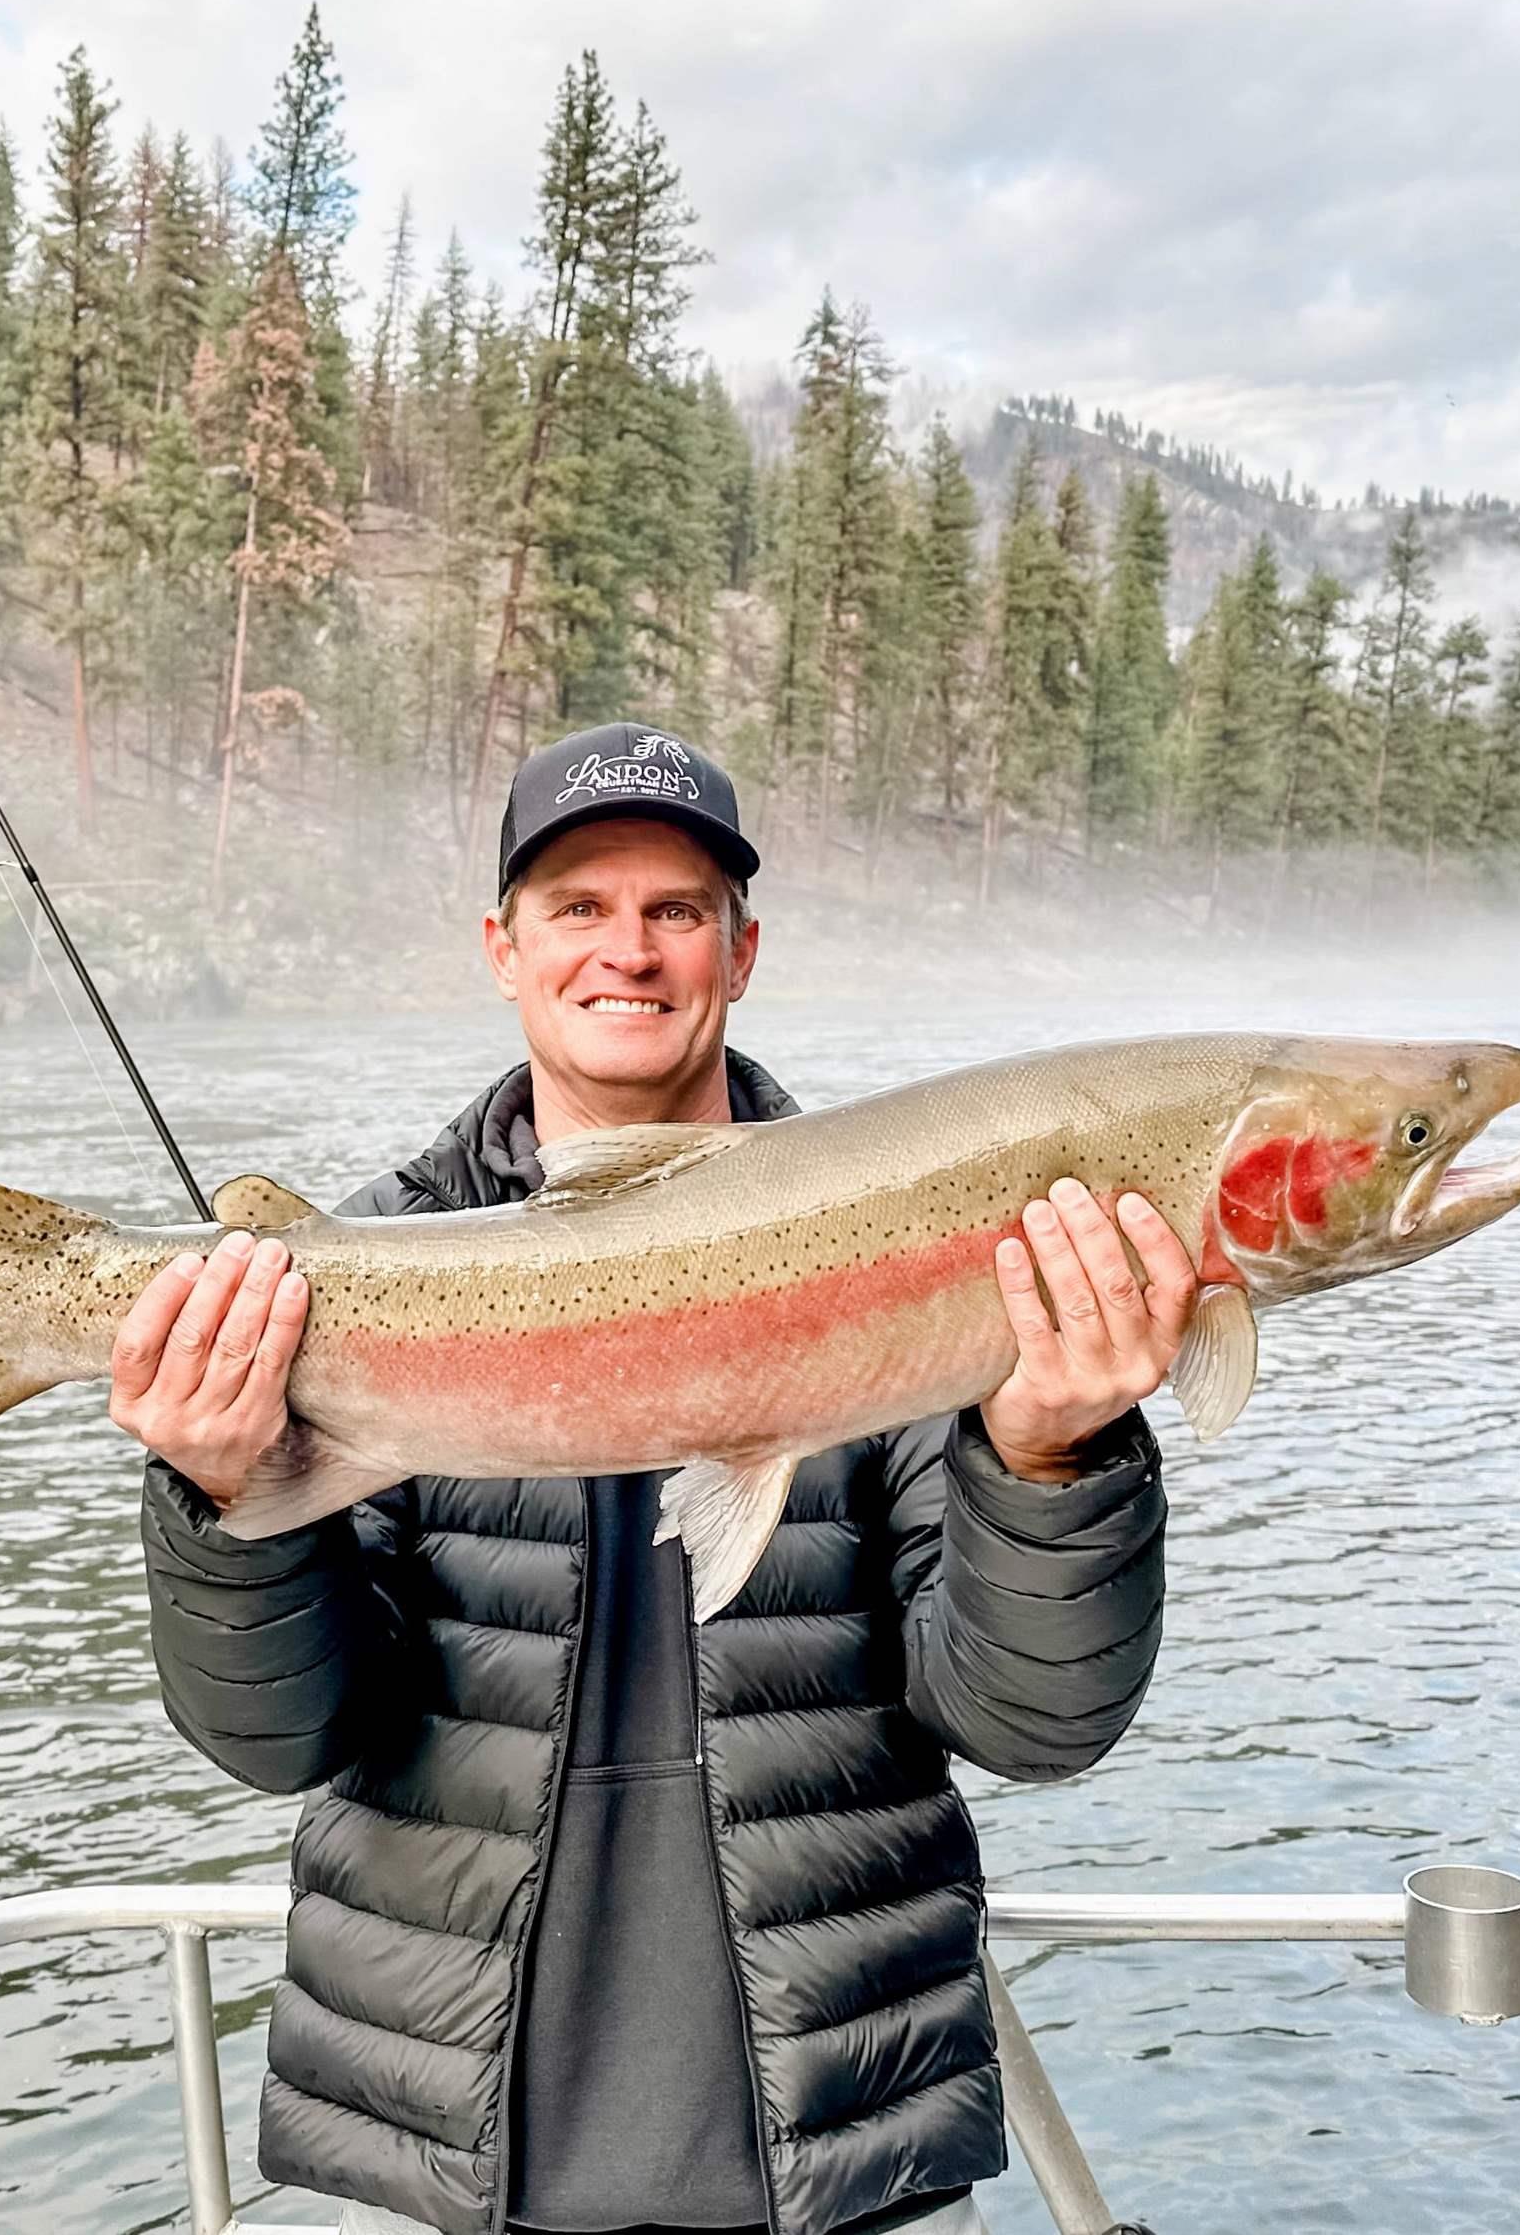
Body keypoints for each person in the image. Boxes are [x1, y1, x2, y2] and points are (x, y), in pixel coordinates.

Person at [123, 721, 1193, 2235]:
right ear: (503, 946)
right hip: (434, 2167)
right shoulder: (345, 1272)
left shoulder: (920, 1247)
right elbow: (283, 1736)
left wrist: (1051, 1457)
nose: (629, 950)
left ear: (741, 952)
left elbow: (1032, 1725)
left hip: (843, 2159)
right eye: (579, 907)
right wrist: (228, 1505)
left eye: (677, 911)